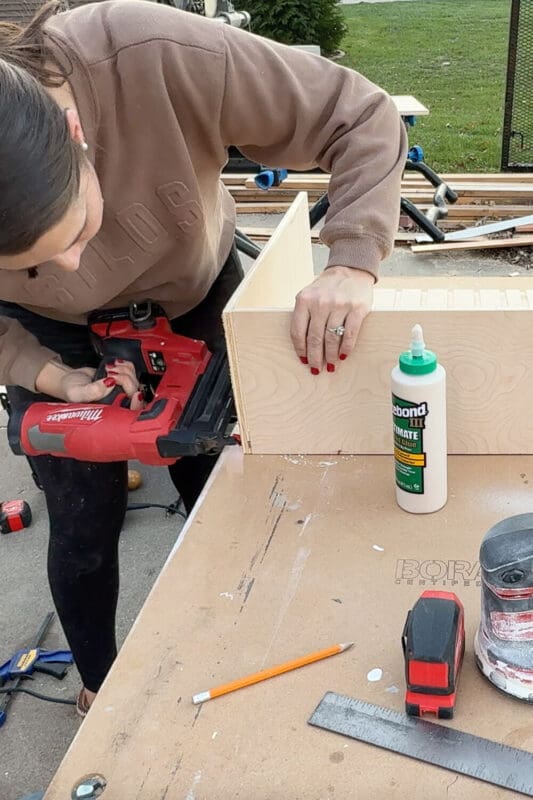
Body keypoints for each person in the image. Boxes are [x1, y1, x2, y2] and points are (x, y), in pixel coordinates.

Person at [0, 0, 407, 714]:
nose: (71, 267)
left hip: (193, 293)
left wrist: (352, 258)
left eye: (78, 228)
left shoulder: (153, 54)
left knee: (217, 485)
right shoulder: (51, 297)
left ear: (76, 133)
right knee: (82, 526)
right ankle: (102, 686)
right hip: (45, 333)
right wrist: (48, 374)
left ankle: (231, 650)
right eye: (34, 262)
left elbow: (360, 114)